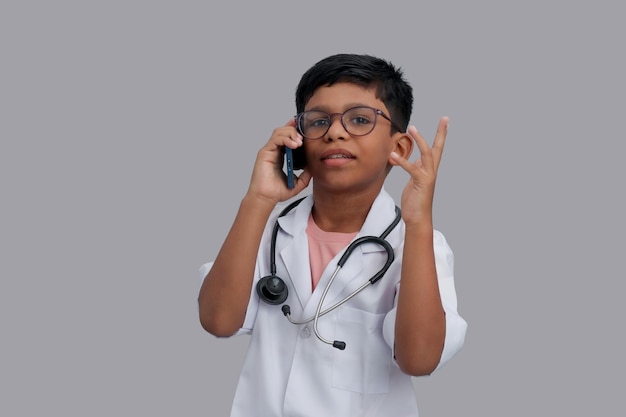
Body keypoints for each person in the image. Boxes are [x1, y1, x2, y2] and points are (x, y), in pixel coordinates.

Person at [197, 53, 467, 417]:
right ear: (297, 140)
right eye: (318, 121)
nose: (335, 132)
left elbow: (418, 359)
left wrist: (419, 223)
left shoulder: (418, 245)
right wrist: (258, 199)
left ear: (398, 148)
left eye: (359, 119)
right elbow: (218, 321)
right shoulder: (267, 231)